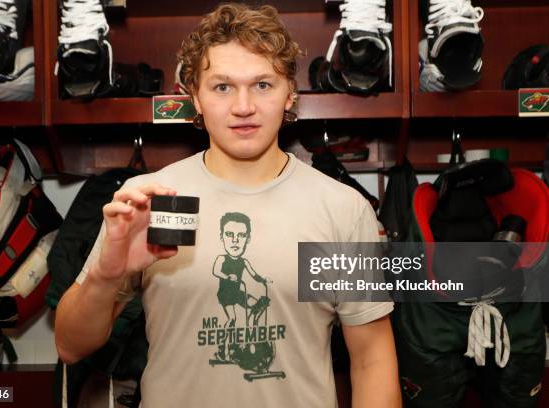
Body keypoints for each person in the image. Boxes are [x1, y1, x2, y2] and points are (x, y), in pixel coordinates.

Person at [55, 3, 400, 407]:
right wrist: (105, 275)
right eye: (222, 87)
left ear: (290, 93)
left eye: (263, 85)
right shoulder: (153, 199)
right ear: (195, 98)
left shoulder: (340, 208)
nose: (243, 107)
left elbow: (371, 359)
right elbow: (70, 346)